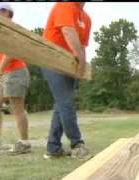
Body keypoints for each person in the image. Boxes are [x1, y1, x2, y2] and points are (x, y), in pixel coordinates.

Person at [41, 2, 92, 159]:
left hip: (70, 64)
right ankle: (77, 144)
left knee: (61, 105)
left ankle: (53, 148)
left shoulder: (86, 18)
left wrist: (81, 67)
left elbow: (82, 46)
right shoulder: (64, 5)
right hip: (51, 59)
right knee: (66, 102)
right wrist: (80, 59)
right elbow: (68, 31)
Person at [0, 3, 31, 154]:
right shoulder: (0, 29)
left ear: (5, 12)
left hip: (16, 72)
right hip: (5, 73)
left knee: (17, 108)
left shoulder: (12, 28)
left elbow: (12, 52)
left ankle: (24, 142)